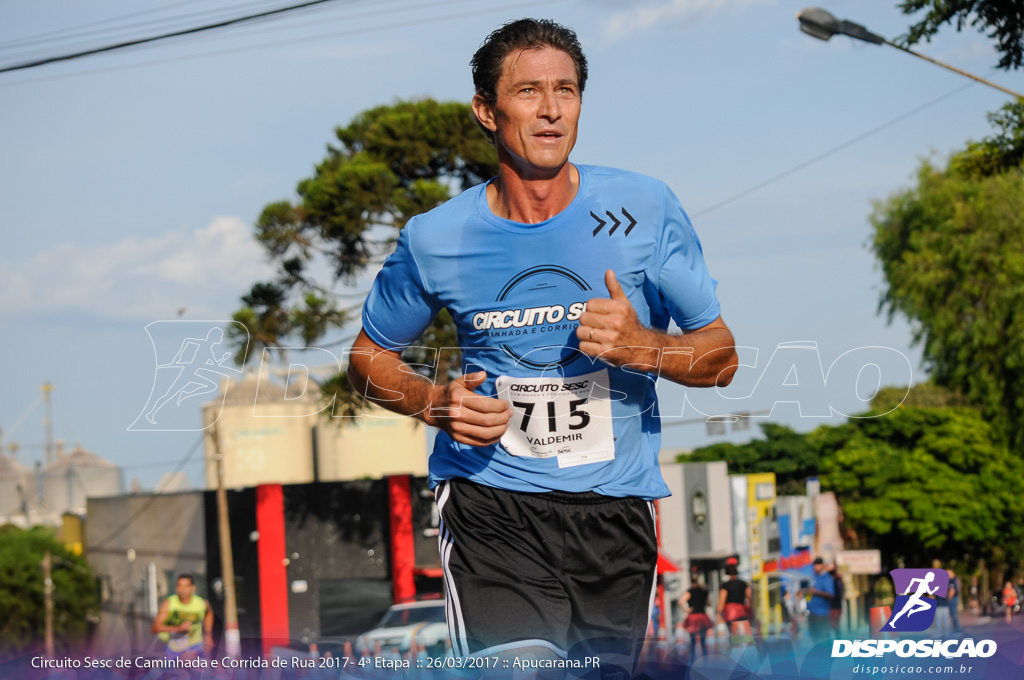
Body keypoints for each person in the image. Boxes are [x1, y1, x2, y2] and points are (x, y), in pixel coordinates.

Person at [347, 17, 738, 667]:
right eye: (529, 91)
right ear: (486, 111)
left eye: (567, 90)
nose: (552, 110)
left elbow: (720, 356)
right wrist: (431, 402)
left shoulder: (644, 208)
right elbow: (366, 361)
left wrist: (644, 345)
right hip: (489, 502)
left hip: (615, 510)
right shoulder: (437, 237)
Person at [152, 574, 213, 659]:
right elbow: (155, 628)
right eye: (180, 586)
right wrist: (179, 628)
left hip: (194, 645)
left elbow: (209, 614)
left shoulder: (201, 603)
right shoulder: (170, 603)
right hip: (172, 646)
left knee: (202, 667)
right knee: (158, 671)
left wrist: (208, 635)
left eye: (186, 586)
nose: (182, 590)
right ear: (176, 588)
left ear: (192, 588)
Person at [717, 564, 752, 640]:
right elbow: (749, 597)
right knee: (743, 633)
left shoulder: (725, 585)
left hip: (730, 612)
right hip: (742, 610)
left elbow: (722, 600)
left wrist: (718, 612)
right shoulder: (743, 583)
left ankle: (734, 649)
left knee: (732, 634)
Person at [681, 574, 713, 657]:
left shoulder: (690, 591)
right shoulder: (704, 591)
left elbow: (681, 601)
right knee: (703, 641)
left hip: (693, 617)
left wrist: (686, 610)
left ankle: (692, 660)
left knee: (693, 641)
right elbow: (709, 604)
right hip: (702, 616)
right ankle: (705, 660)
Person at [806, 558, 835, 644]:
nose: (816, 567)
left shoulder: (827, 578)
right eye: (815, 565)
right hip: (812, 612)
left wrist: (816, 592)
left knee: (823, 637)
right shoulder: (813, 577)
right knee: (814, 637)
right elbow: (810, 592)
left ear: (822, 566)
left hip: (822, 614)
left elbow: (830, 594)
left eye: (818, 565)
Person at [829, 567, 844, 637]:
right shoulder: (839, 581)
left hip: (834, 606)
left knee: (834, 625)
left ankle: (837, 639)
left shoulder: (835, 582)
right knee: (836, 625)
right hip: (837, 606)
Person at [946, 568, 962, 635]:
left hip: (953, 598)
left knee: (953, 614)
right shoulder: (955, 579)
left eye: (948, 572)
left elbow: (952, 590)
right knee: (953, 614)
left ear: (952, 572)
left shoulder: (952, 580)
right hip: (955, 598)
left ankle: (957, 629)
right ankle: (956, 628)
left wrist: (949, 598)